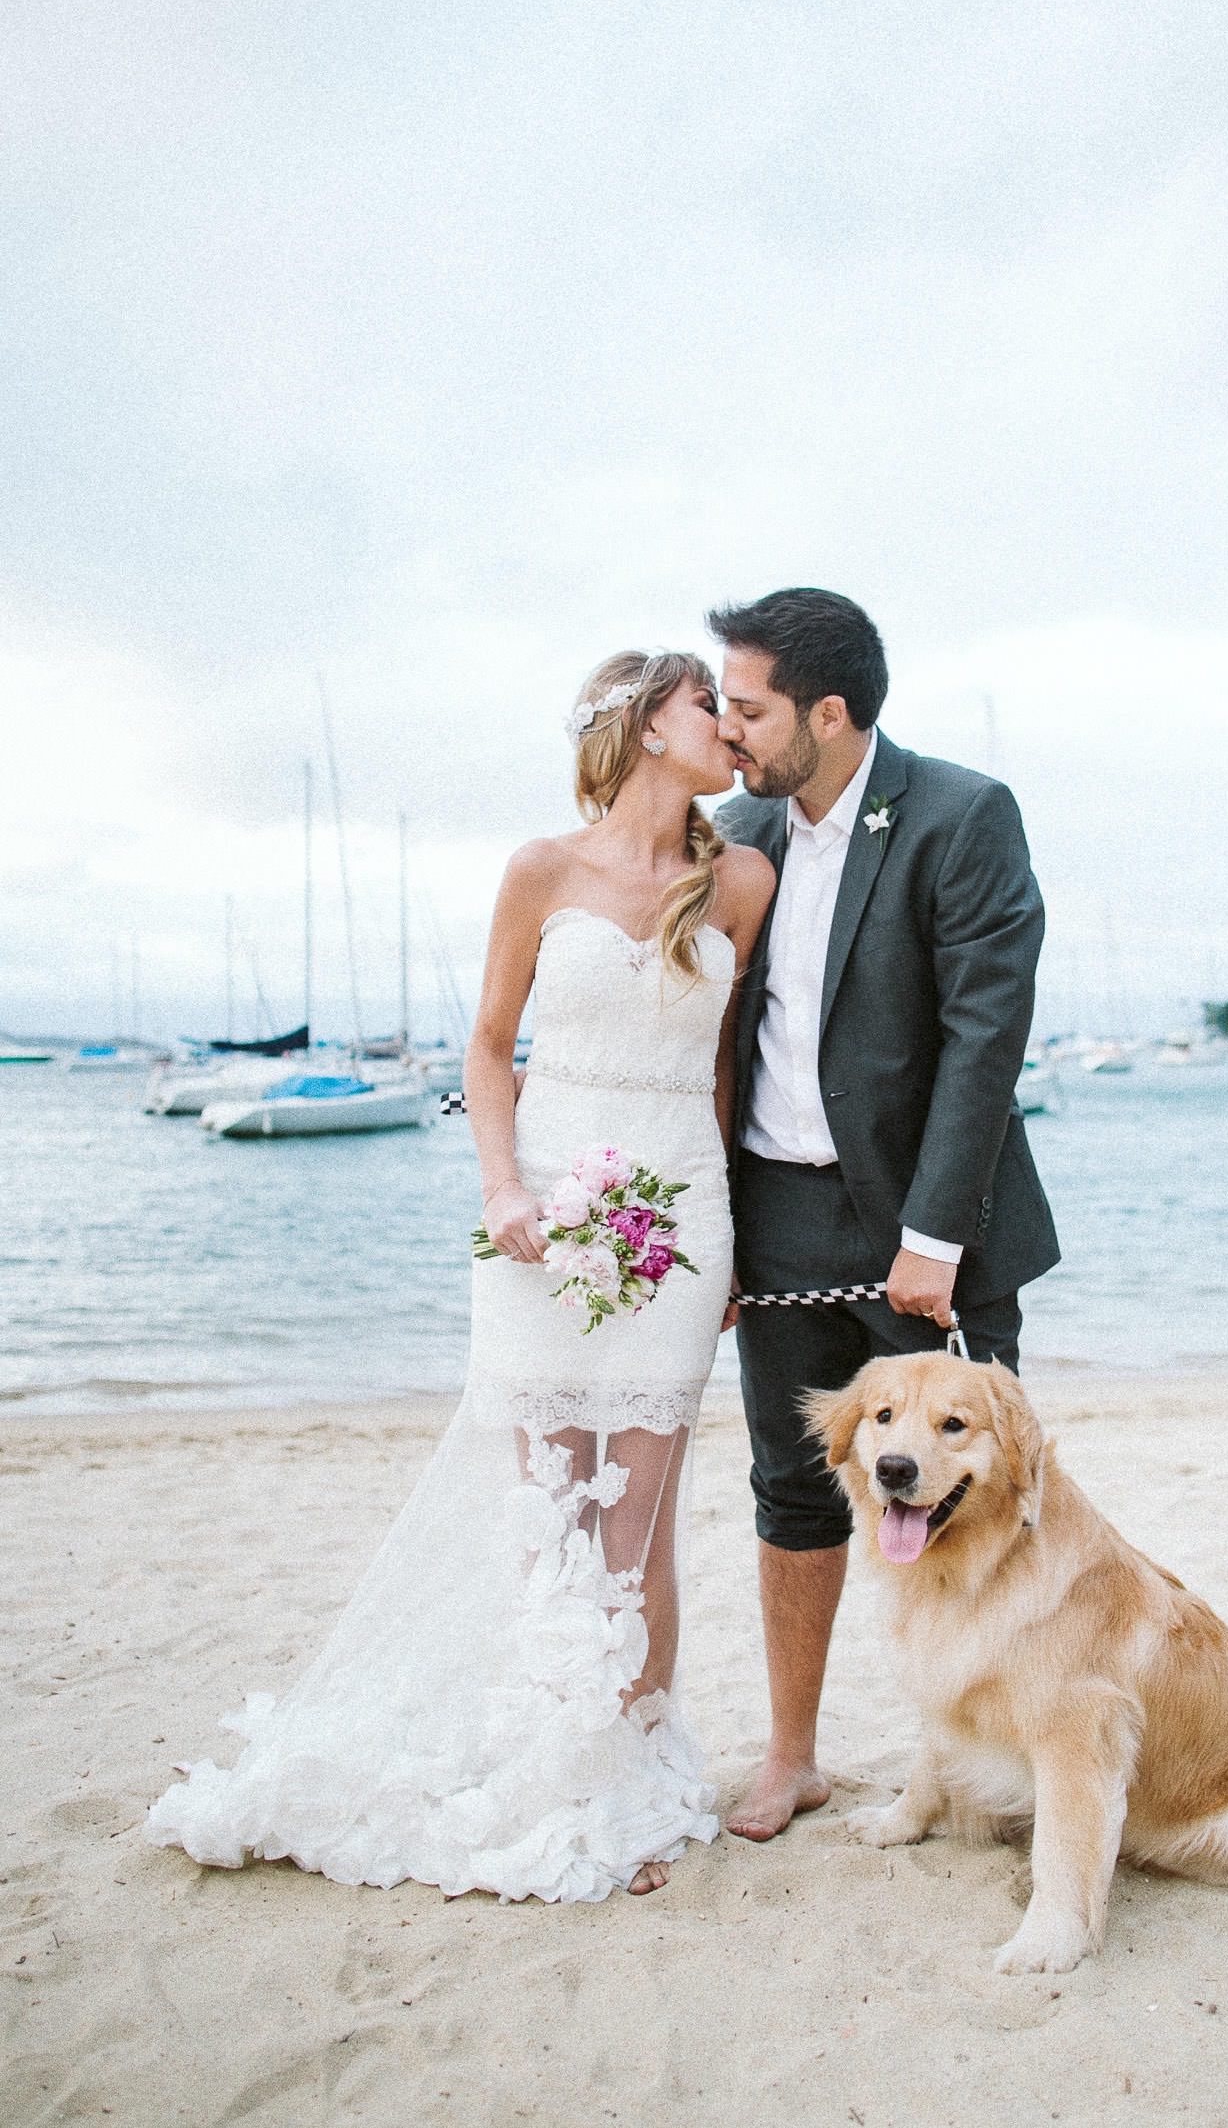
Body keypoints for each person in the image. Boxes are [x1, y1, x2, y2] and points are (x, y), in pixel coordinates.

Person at [145, 650, 775, 1901]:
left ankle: (628, 1775)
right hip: (544, 1206)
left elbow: (722, 1075)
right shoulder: (541, 871)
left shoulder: (742, 875)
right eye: (709, 702)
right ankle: (549, 1757)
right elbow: (489, 1050)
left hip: (681, 1213)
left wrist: (736, 1234)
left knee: (641, 1513)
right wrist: (504, 1188)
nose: (730, 724)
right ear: (650, 724)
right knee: (554, 1514)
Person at [710, 588, 1060, 1843]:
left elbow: (986, 1034)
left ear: (831, 710)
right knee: (792, 1492)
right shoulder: (736, 832)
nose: (727, 726)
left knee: (975, 1494)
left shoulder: (962, 815)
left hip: (931, 1224)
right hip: (777, 1211)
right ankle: (793, 1755)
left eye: (747, 706)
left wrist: (935, 1234)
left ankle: (977, 1749)